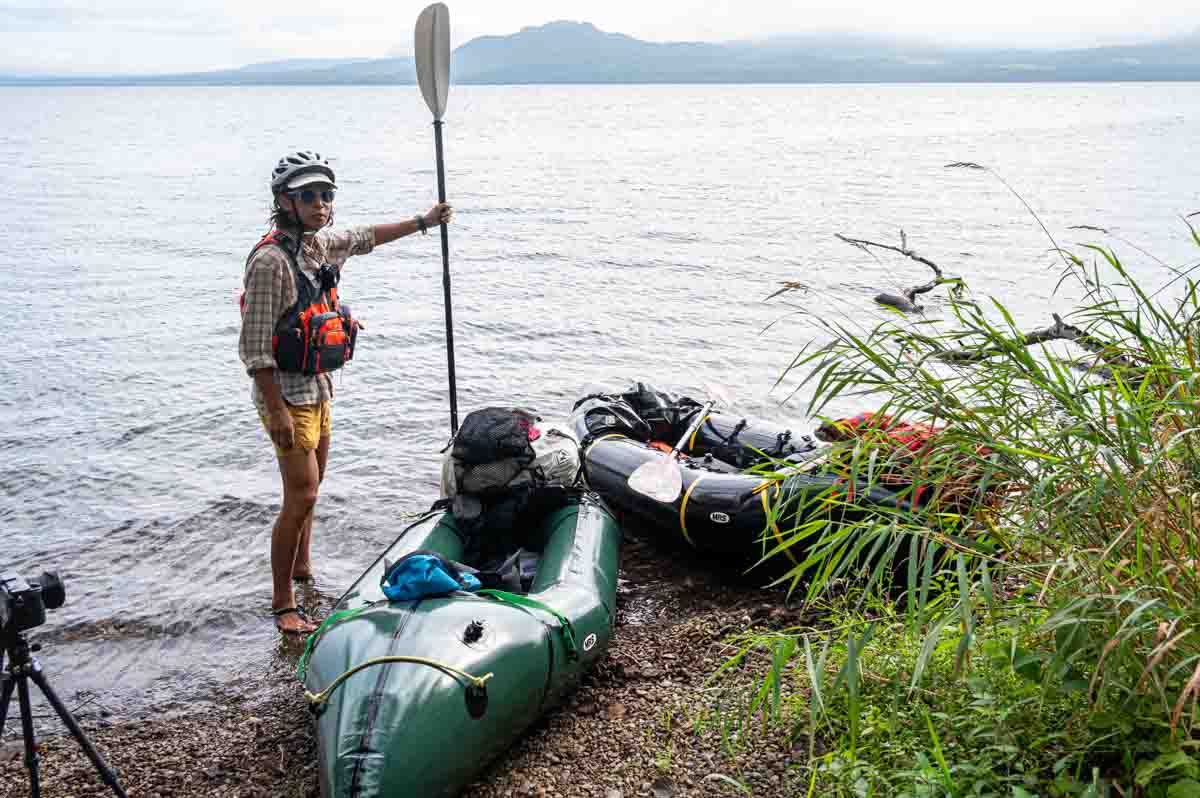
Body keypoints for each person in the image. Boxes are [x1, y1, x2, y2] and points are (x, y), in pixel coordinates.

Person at [239, 150, 453, 635]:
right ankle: (282, 603)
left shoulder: (320, 246)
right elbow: (254, 347)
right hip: (286, 397)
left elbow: (367, 237)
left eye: (326, 195)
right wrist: (274, 410)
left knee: (312, 494)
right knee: (302, 494)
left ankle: (303, 570)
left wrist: (424, 221)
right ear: (284, 202)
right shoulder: (270, 262)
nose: (319, 204)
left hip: (319, 388)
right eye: (307, 196)